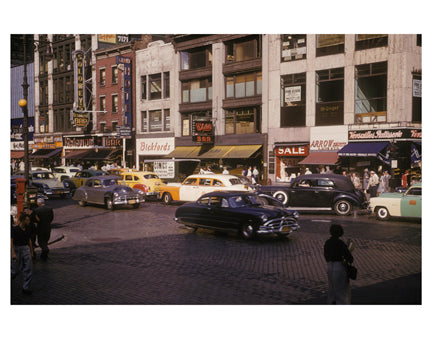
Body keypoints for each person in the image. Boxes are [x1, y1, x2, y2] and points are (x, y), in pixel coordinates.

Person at [324, 224, 354, 304]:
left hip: (330, 266)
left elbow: (326, 256)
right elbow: (349, 258)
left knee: (331, 290)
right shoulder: (340, 243)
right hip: (339, 267)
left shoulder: (327, 242)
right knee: (341, 292)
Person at [11, 212, 35, 295]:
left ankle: (26, 287)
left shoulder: (28, 229)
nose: (29, 222)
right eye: (27, 220)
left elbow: (29, 241)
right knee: (15, 270)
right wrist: (13, 253)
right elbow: (11, 241)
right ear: (22, 220)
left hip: (26, 249)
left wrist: (31, 252)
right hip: (17, 249)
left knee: (28, 269)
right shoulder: (15, 229)